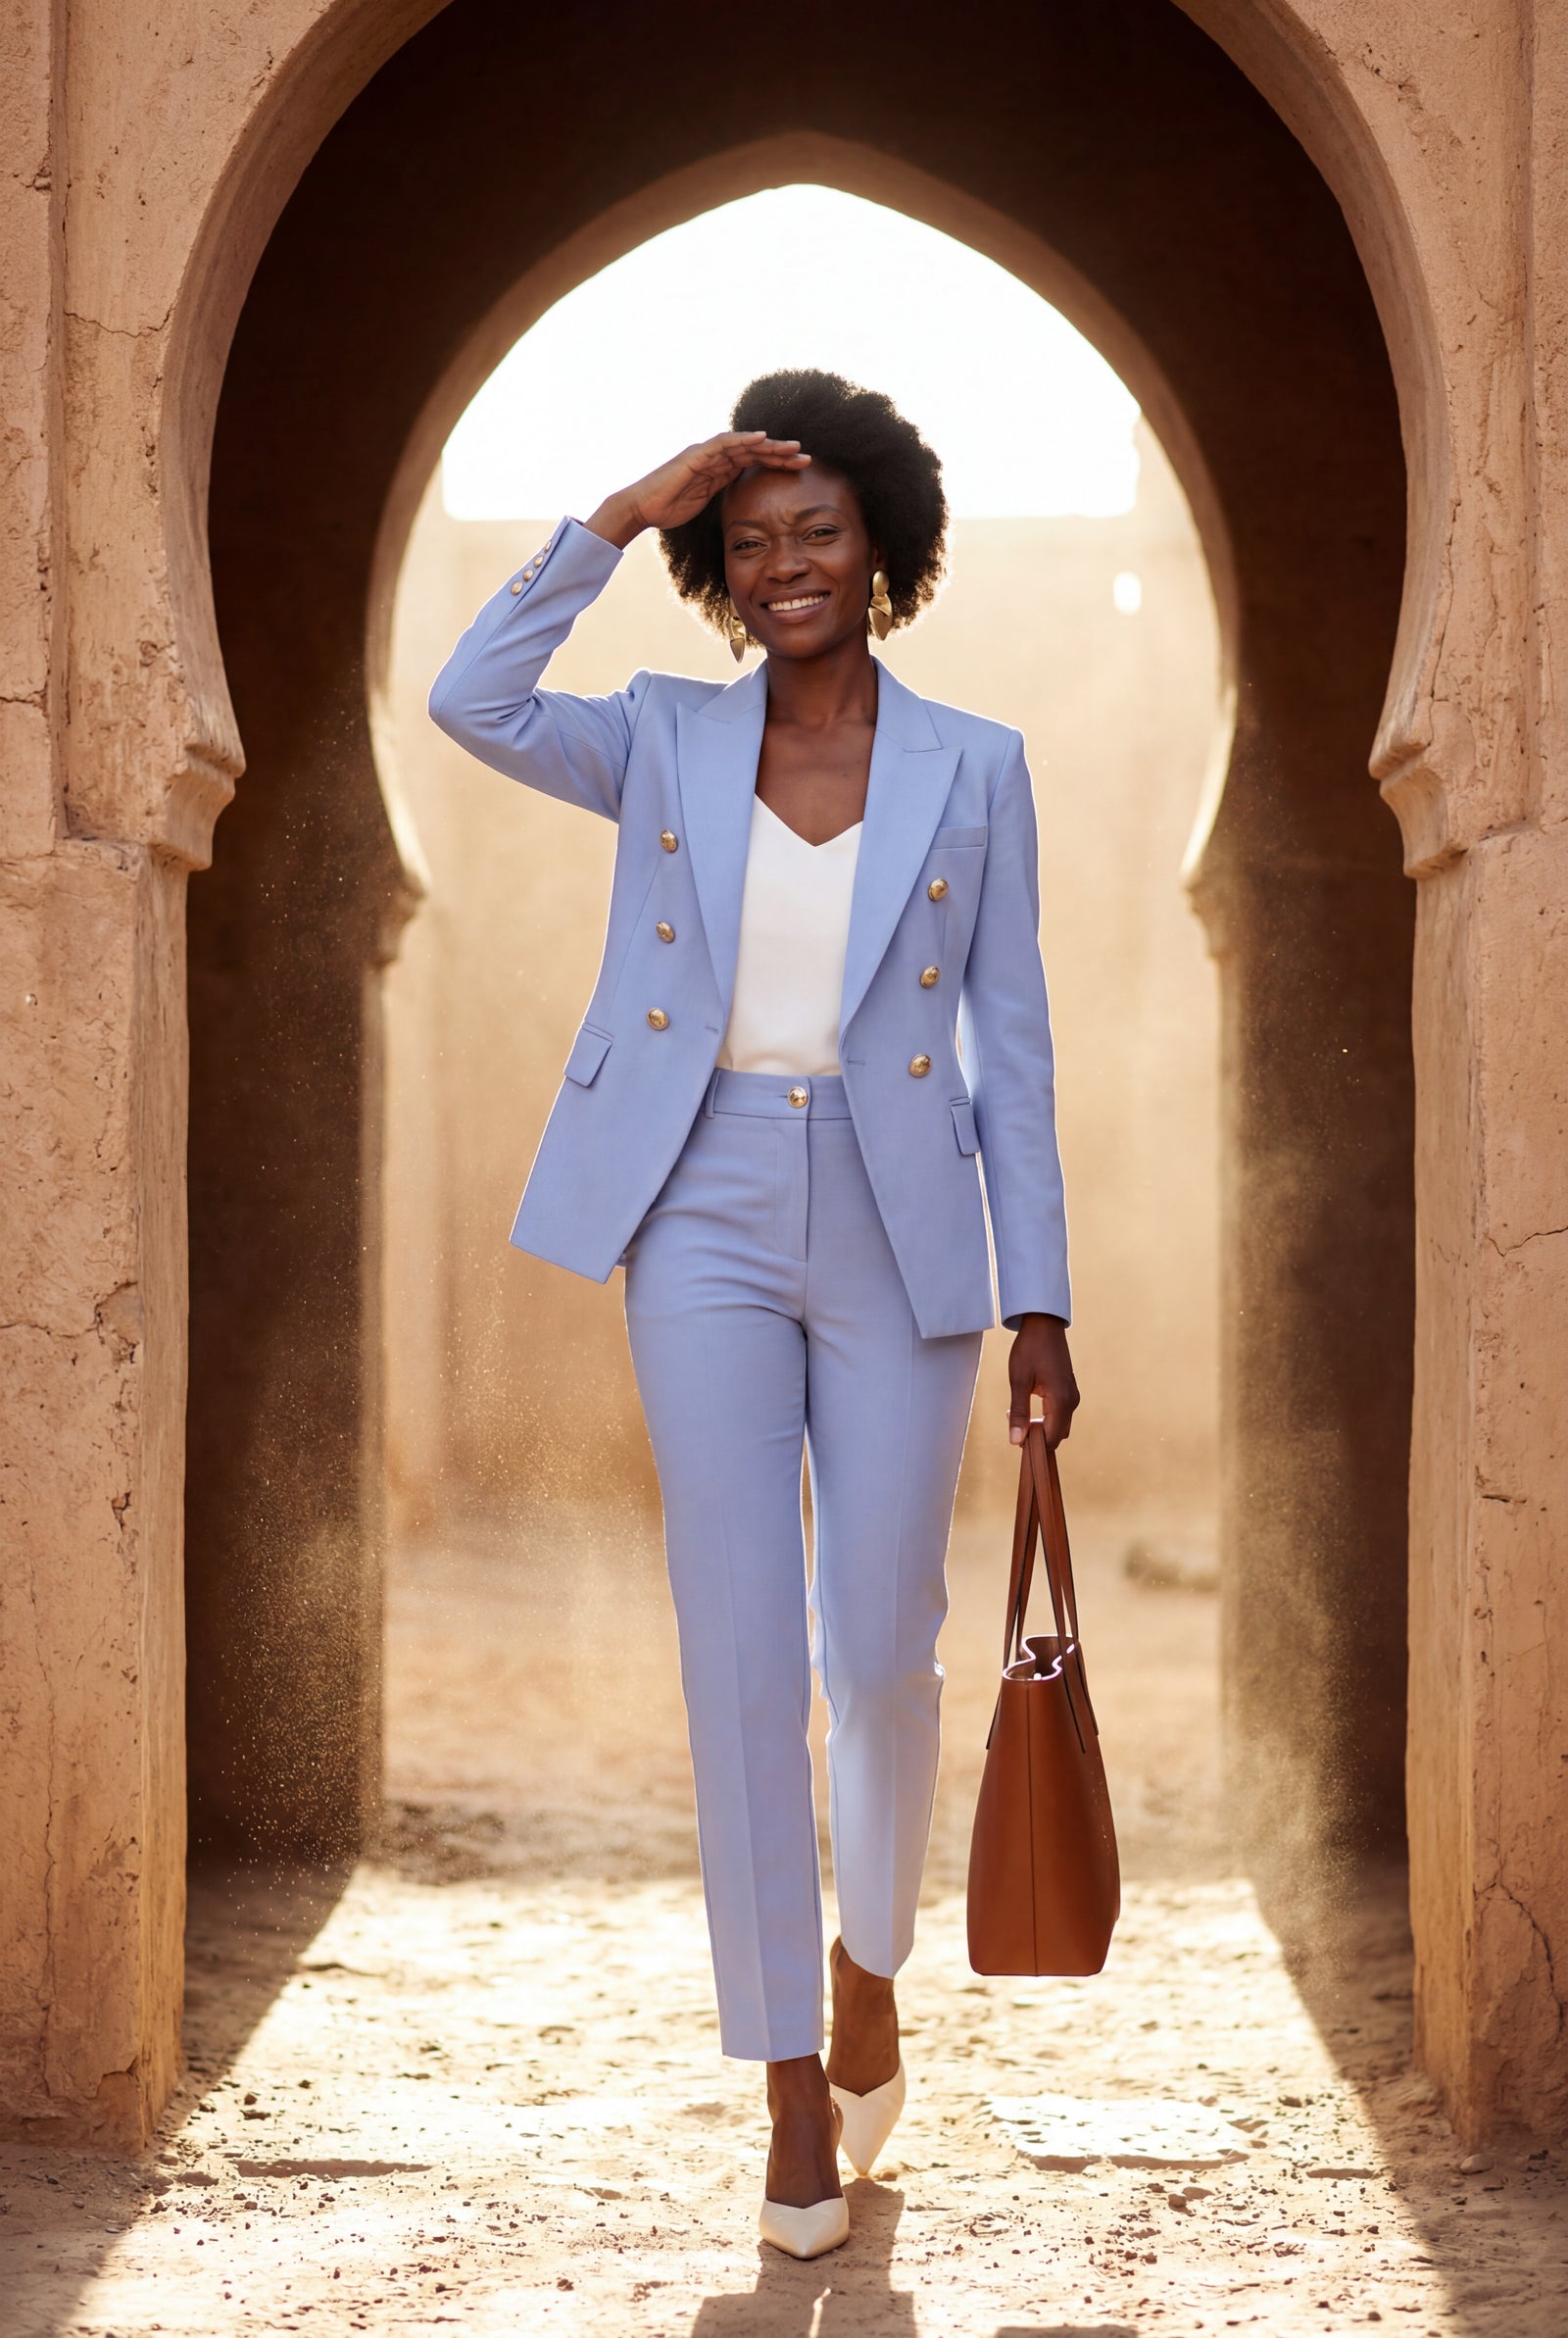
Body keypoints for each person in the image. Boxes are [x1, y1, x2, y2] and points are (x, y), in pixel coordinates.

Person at [429, 369, 1078, 2259]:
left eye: (820, 532)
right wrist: (626, 509)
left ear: (882, 548)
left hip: (905, 1225)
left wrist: (1037, 1298)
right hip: (695, 1201)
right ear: (722, 570)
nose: (787, 564)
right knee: (741, 1655)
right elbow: (470, 700)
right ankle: (790, 2084)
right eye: (753, 540)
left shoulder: (979, 764)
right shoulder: (654, 740)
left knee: (880, 1642)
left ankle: (874, 1960)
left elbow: (1010, 1052)